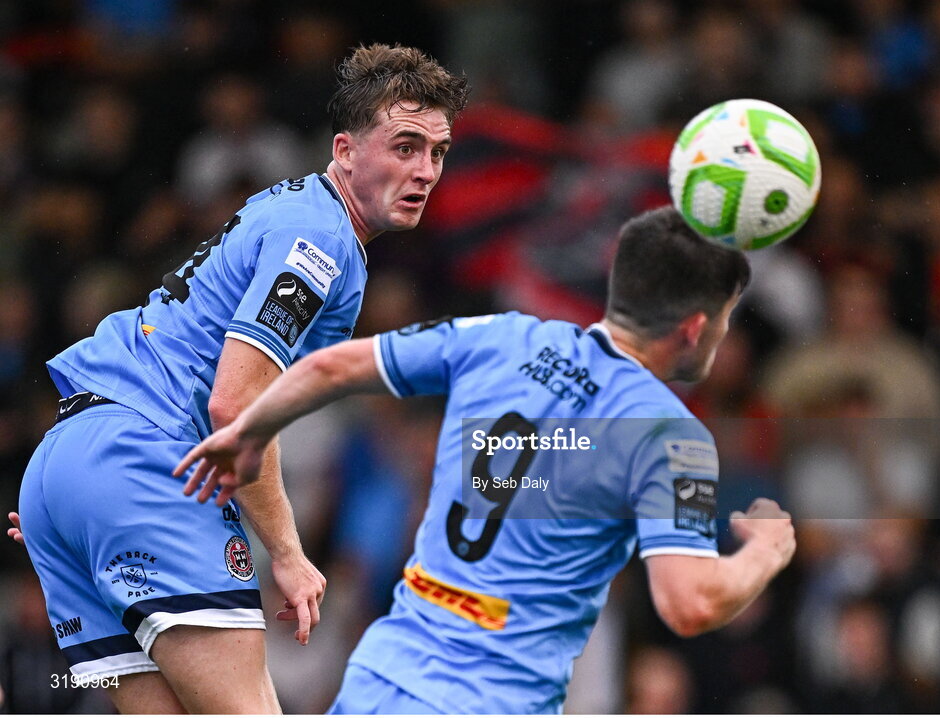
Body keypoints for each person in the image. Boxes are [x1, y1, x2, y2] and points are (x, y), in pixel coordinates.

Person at [176, 206, 797, 714]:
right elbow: (689, 603)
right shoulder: (674, 439)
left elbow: (333, 365)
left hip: (382, 683)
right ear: (694, 328)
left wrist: (252, 431)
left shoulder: (501, 337)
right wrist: (764, 553)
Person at [12, 43, 468, 713]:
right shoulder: (322, 241)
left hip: (66, 467)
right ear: (345, 150)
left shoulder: (286, 207)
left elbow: (248, 405)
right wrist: (287, 552)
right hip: (144, 461)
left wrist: (89, 499)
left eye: (438, 152)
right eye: (404, 146)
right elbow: (237, 403)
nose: (425, 169)